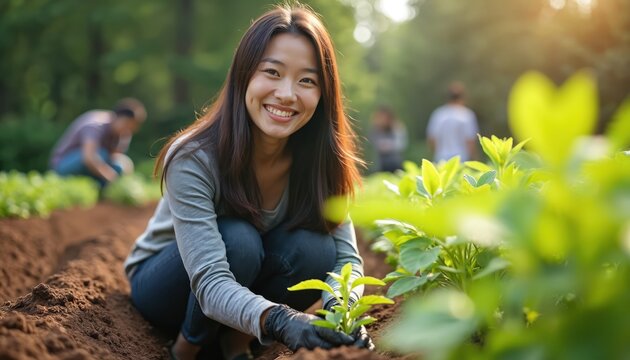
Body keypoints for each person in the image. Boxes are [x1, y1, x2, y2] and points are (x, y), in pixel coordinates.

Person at [123, 5, 372, 360]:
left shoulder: (321, 161)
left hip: (243, 287)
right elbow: (208, 282)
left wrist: (342, 315)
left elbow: (348, 261)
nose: (287, 94)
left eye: (307, 80)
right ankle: (185, 349)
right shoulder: (195, 157)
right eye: (272, 72)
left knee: (317, 248)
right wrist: (282, 321)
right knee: (237, 239)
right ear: (243, 76)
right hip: (169, 288)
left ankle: (235, 344)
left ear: (323, 94)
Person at [49, 98, 147, 187]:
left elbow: (116, 158)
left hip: (92, 167)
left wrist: (126, 174)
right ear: (119, 118)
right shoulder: (95, 125)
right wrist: (112, 178)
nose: (129, 130)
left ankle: (97, 189)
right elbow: (89, 158)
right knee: (102, 154)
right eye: (127, 125)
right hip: (63, 165)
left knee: (119, 167)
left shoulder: (124, 134)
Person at [426, 82, 479, 162]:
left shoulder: (439, 114)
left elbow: (431, 139)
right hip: (461, 158)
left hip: (441, 158)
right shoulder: (466, 115)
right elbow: (470, 140)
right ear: (462, 98)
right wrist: (474, 158)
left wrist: (437, 152)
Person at [369, 106, 407, 172]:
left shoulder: (397, 128)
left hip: (395, 163)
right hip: (381, 165)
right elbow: (375, 144)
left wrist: (388, 145)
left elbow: (401, 144)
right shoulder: (376, 130)